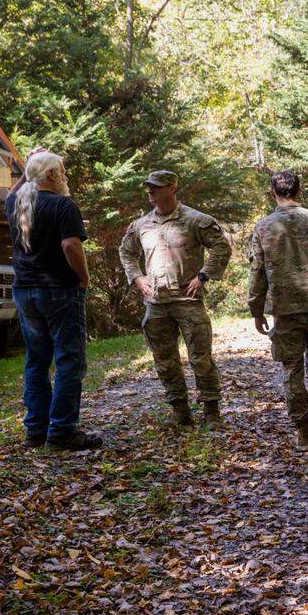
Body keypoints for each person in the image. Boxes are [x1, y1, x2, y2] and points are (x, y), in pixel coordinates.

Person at [119, 171, 232, 428]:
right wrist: (137, 277)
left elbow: (221, 247)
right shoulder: (141, 225)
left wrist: (203, 276)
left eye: (156, 187)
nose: (150, 191)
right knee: (165, 360)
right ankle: (180, 412)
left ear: (172, 188)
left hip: (188, 301)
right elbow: (126, 252)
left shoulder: (195, 220)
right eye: (148, 187)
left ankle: (212, 413)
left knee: (200, 358)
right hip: (156, 303)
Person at [6, 149, 100, 451]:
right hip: (59, 291)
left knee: (37, 360)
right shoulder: (63, 205)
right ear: (51, 175)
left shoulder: (17, 203)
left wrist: (26, 171)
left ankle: (35, 431)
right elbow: (71, 246)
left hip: (24, 292)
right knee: (69, 360)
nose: (65, 176)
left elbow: (13, 192)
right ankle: (62, 432)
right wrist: (83, 277)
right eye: (61, 170)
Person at [248, 171, 308, 451]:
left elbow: (257, 271)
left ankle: (302, 431)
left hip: (285, 308)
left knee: (292, 368)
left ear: (273, 193)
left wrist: (256, 308)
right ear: (299, 190)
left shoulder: (264, 227)